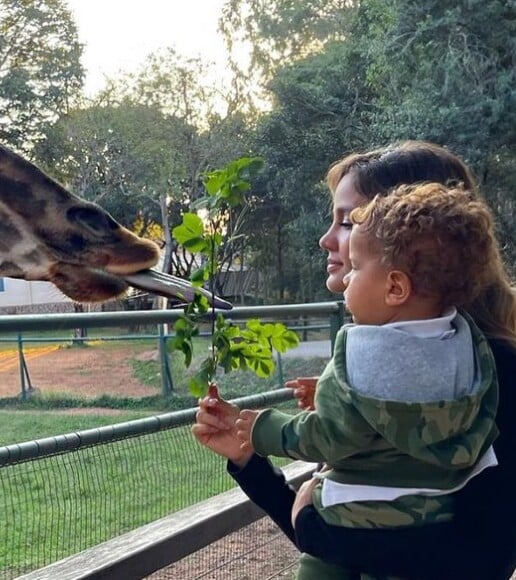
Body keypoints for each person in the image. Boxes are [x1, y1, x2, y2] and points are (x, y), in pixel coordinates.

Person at [192, 141, 516, 580]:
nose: (327, 239)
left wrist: (312, 527)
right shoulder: (383, 359)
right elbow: (348, 537)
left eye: (348, 221)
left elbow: (481, 558)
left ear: (417, 242)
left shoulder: (492, 373)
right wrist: (251, 464)